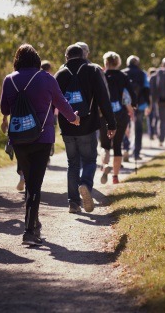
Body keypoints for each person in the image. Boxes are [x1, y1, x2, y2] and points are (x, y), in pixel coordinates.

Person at [0, 44, 80, 246]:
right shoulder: (46, 78)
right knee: (35, 183)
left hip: (18, 137)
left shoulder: (9, 80)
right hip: (42, 137)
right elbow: (61, 103)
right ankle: (29, 231)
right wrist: (73, 118)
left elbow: (4, 108)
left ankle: (33, 223)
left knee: (29, 180)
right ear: (36, 60)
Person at [55, 44, 116, 214]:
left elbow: (52, 102)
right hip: (88, 126)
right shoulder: (92, 70)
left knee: (72, 163)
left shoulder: (59, 74)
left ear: (66, 57)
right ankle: (85, 184)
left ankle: (73, 203)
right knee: (89, 160)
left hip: (67, 127)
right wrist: (111, 124)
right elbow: (103, 98)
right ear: (83, 55)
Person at [99, 52, 137, 184]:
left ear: (106, 62)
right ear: (118, 63)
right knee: (118, 145)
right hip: (121, 114)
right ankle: (115, 177)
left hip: (104, 115)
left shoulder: (101, 75)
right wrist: (133, 109)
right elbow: (130, 94)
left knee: (105, 145)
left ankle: (104, 167)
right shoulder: (123, 76)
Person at [122, 55, 150, 160]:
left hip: (125, 105)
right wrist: (148, 104)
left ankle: (125, 148)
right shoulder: (142, 73)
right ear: (137, 63)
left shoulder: (123, 72)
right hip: (140, 104)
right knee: (138, 129)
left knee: (125, 127)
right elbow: (147, 89)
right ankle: (136, 153)